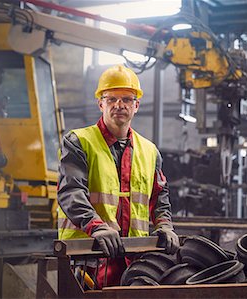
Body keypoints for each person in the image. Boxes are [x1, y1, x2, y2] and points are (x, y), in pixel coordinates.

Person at [57, 65, 179, 288]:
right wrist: (97, 227)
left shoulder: (150, 151)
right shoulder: (78, 142)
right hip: (88, 259)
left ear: (136, 105)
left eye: (126, 99)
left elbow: (159, 197)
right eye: (111, 98)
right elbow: (71, 192)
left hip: (134, 260)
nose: (119, 105)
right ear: (100, 103)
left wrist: (164, 225)